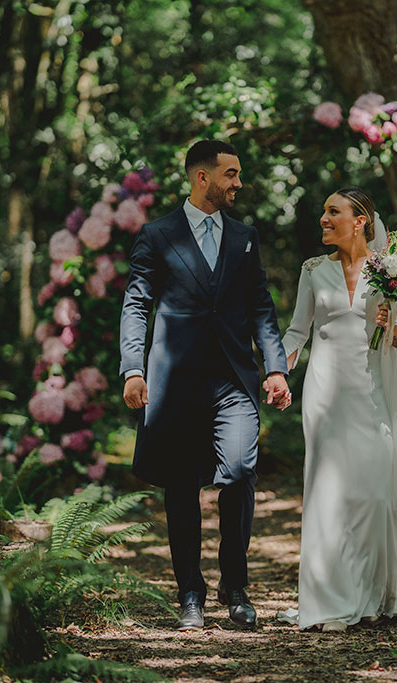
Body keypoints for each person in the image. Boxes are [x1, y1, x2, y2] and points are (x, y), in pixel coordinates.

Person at [118, 139, 291, 631]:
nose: (239, 183)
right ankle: (189, 591)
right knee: (180, 488)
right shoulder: (157, 234)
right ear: (202, 178)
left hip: (234, 379)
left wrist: (274, 367)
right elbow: (136, 303)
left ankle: (234, 586)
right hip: (175, 383)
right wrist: (134, 369)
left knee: (238, 473)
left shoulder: (245, 236)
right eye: (231, 174)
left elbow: (260, 305)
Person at [275, 187, 397, 632]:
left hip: (371, 391)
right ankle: (330, 597)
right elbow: (297, 330)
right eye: (324, 211)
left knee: (372, 493)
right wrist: (277, 369)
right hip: (325, 391)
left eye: (334, 212)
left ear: (362, 219)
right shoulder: (313, 270)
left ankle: (373, 593)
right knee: (327, 493)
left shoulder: (391, 272)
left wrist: (391, 327)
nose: (324, 219)